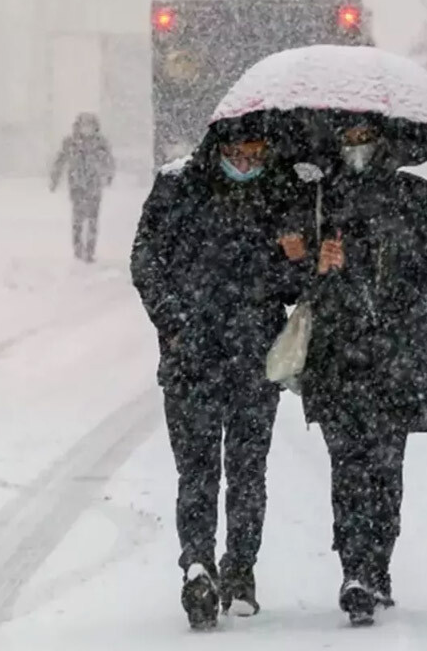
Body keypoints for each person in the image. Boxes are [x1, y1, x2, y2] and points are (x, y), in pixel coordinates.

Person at [284, 116, 427, 626]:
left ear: (384, 141)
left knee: (386, 470)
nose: (357, 148)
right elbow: (290, 281)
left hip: (396, 360)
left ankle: (378, 563)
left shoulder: (417, 198)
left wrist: (421, 343)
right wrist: (314, 266)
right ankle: (355, 571)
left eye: (366, 138)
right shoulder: (318, 201)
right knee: (348, 467)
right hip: (336, 360)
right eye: (348, 139)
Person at [130, 127, 303, 630]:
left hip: (254, 358)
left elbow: (293, 286)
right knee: (199, 471)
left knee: (248, 472)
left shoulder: (281, 191)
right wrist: (176, 323)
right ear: (217, 150)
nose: (246, 164)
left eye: (256, 155)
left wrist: (293, 258)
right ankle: (199, 566)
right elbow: (146, 260)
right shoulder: (178, 187)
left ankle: (239, 569)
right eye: (236, 154)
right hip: (193, 359)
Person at [51, 112, 114, 262]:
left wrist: (108, 175)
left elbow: (108, 161)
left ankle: (90, 250)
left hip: (94, 186)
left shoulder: (100, 143)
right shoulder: (70, 142)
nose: (87, 129)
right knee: (78, 219)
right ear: (78, 127)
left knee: (92, 219)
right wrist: (55, 178)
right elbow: (60, 160)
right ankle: (78, 248)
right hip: (77, 185)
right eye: (84, 125)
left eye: (90, 126)